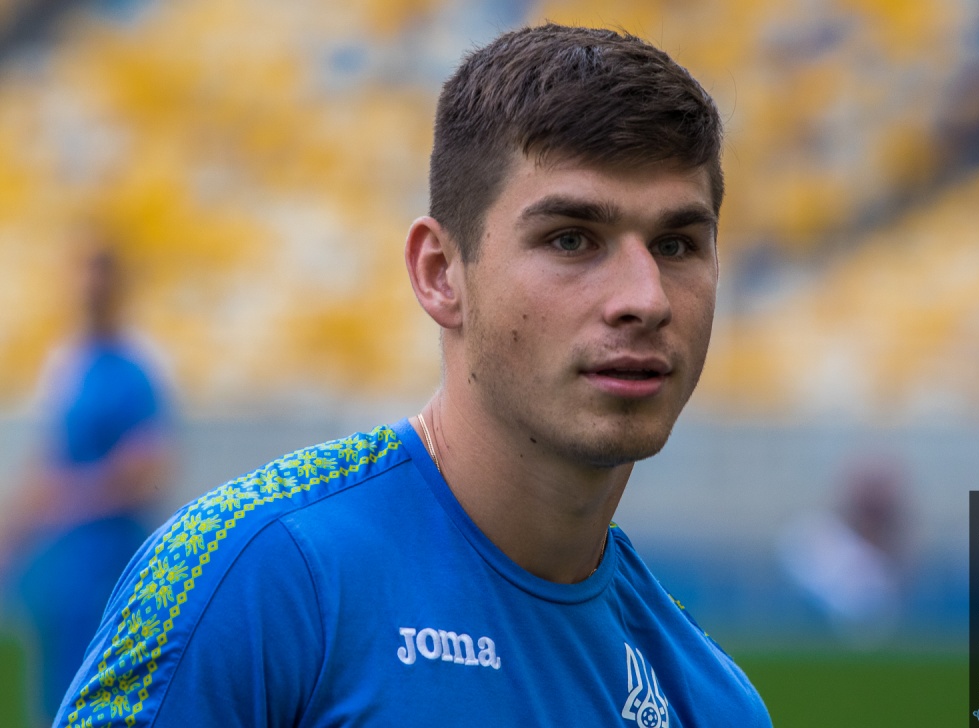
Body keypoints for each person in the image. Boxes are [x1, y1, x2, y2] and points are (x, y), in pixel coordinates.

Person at [53, 24, 771, 727]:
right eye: (572, 239)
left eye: (677, 245)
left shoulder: (712, 701)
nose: (645, 299)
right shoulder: (250, 579)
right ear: (440, 274)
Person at [0, 236, 172, 726]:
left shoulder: (138, 368)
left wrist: (69, 497)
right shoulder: (70, 364)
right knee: (54, 687)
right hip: (64, 558)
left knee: (108, 688)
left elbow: (146, 468)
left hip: (110, 554)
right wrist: (14, 532)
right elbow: (49, 459)